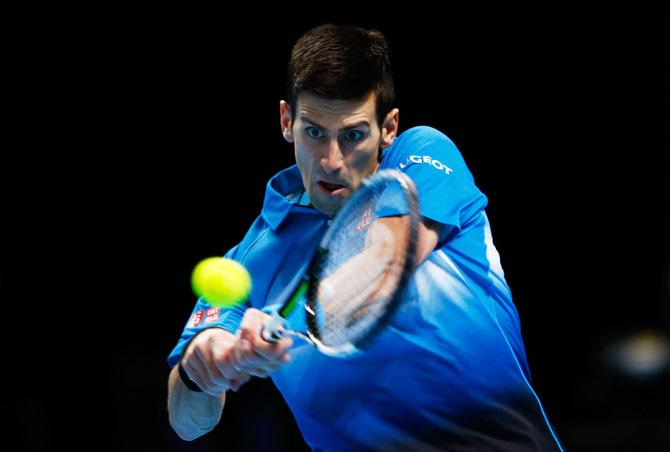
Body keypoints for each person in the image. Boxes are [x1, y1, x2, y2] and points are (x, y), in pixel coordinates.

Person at [167, 23, 564, 451]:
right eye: (314, 132)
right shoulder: (248, 262)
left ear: (388, 128)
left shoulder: (420, 159)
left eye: (353, 135)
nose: (332, 161)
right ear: (287, 121)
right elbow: (189, 423)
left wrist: (290, 321)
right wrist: (201, 369)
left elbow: (386, 261)